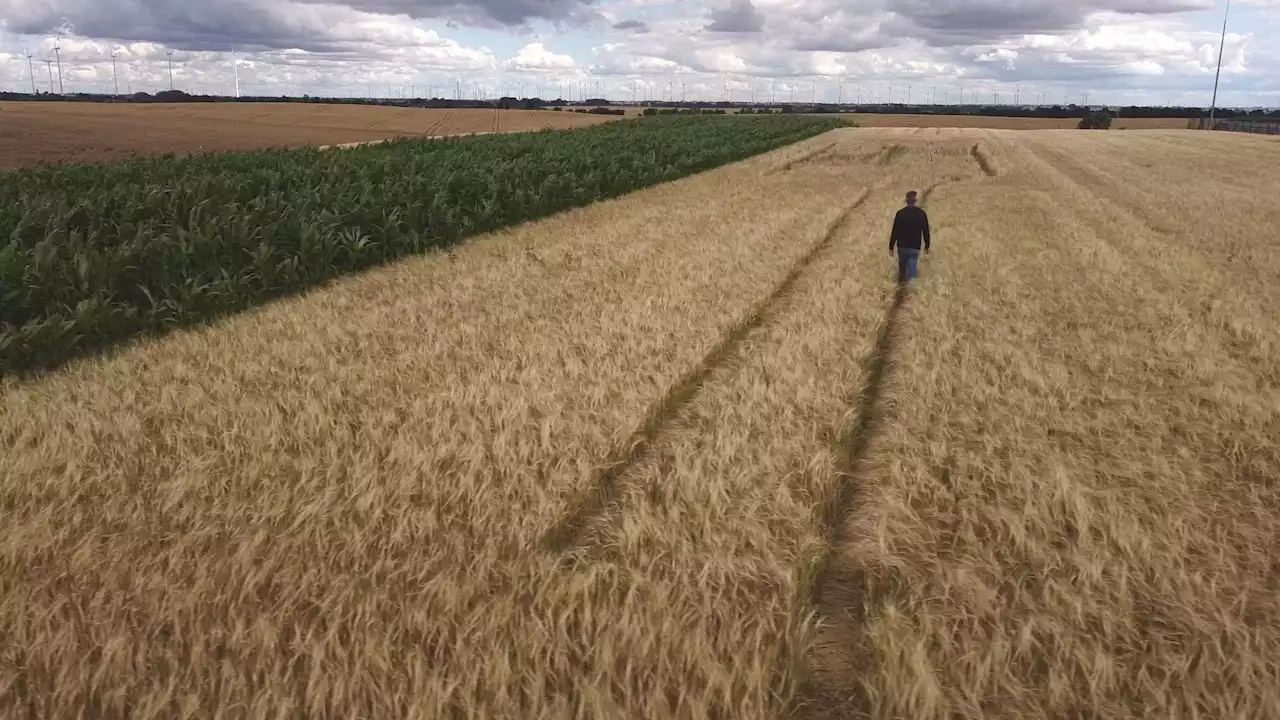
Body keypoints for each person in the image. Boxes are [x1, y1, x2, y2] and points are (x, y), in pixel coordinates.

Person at [889, 190, 931, 284]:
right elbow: (926, 230)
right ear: (915, 200)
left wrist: (891, 246)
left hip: (902, 247)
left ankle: (901, 290)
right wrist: (927, 245)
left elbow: (895, 231)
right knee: (912, 275)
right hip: (914, 247)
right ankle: (910, 295)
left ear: (906, 200)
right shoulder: (921, 214)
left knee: (902, 272)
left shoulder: (900, 213)